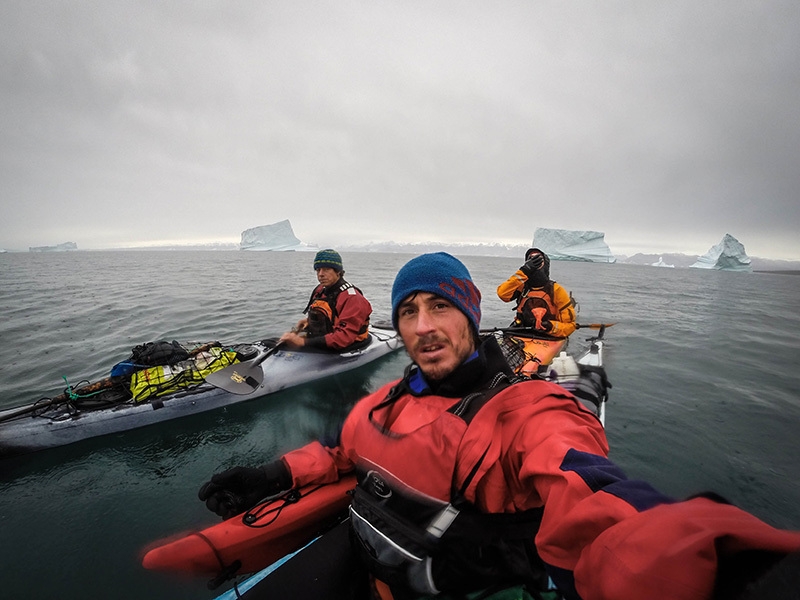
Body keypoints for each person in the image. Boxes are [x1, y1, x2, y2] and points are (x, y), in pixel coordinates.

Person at [199, 252, 800, 600]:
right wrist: (272, 471)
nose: (423, 325)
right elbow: (344, 450)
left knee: (563, 389)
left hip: (435, 579)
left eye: (441, 307)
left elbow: (588, 491)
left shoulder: (526, 413)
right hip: (367, 555)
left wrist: (682, 554)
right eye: (409, 311)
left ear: (468, 317)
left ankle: (583, 376)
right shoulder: (386, 401)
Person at [279, 249, 372, 352]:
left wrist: (303, 342)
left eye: (326, 269)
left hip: (348, 344)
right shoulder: (320, 290)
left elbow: (344, 338)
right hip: (325, 338)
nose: (320, 274)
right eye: (318, 270)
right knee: (272, 343)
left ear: (338, 272)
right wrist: (303, 325)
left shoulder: (353, 298)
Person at [497, 248, 577, 337]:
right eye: (531, 259)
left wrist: (551, 327)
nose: (535, 262)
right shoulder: (522, 286)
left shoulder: (556, 290)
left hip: (547, 335)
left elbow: (570, 325)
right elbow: (502, 294)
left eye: (539, 259)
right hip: (521, 330)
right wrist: (524, 271)